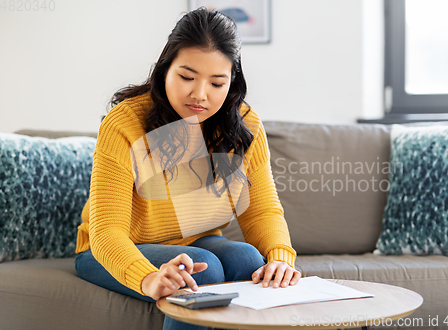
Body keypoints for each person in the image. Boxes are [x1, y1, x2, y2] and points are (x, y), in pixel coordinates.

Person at [74, 7, 301, 330]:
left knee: (248, 260)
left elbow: (261, 210)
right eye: (186, 77)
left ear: (232, 82)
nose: (200, 94)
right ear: (165, 69)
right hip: (107, 249)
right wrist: (148, 278)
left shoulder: (245, 125)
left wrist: (280, 256)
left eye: (217, 83)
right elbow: (106, 231)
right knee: (202, 268)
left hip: (196, 240)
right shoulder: (124, 123)